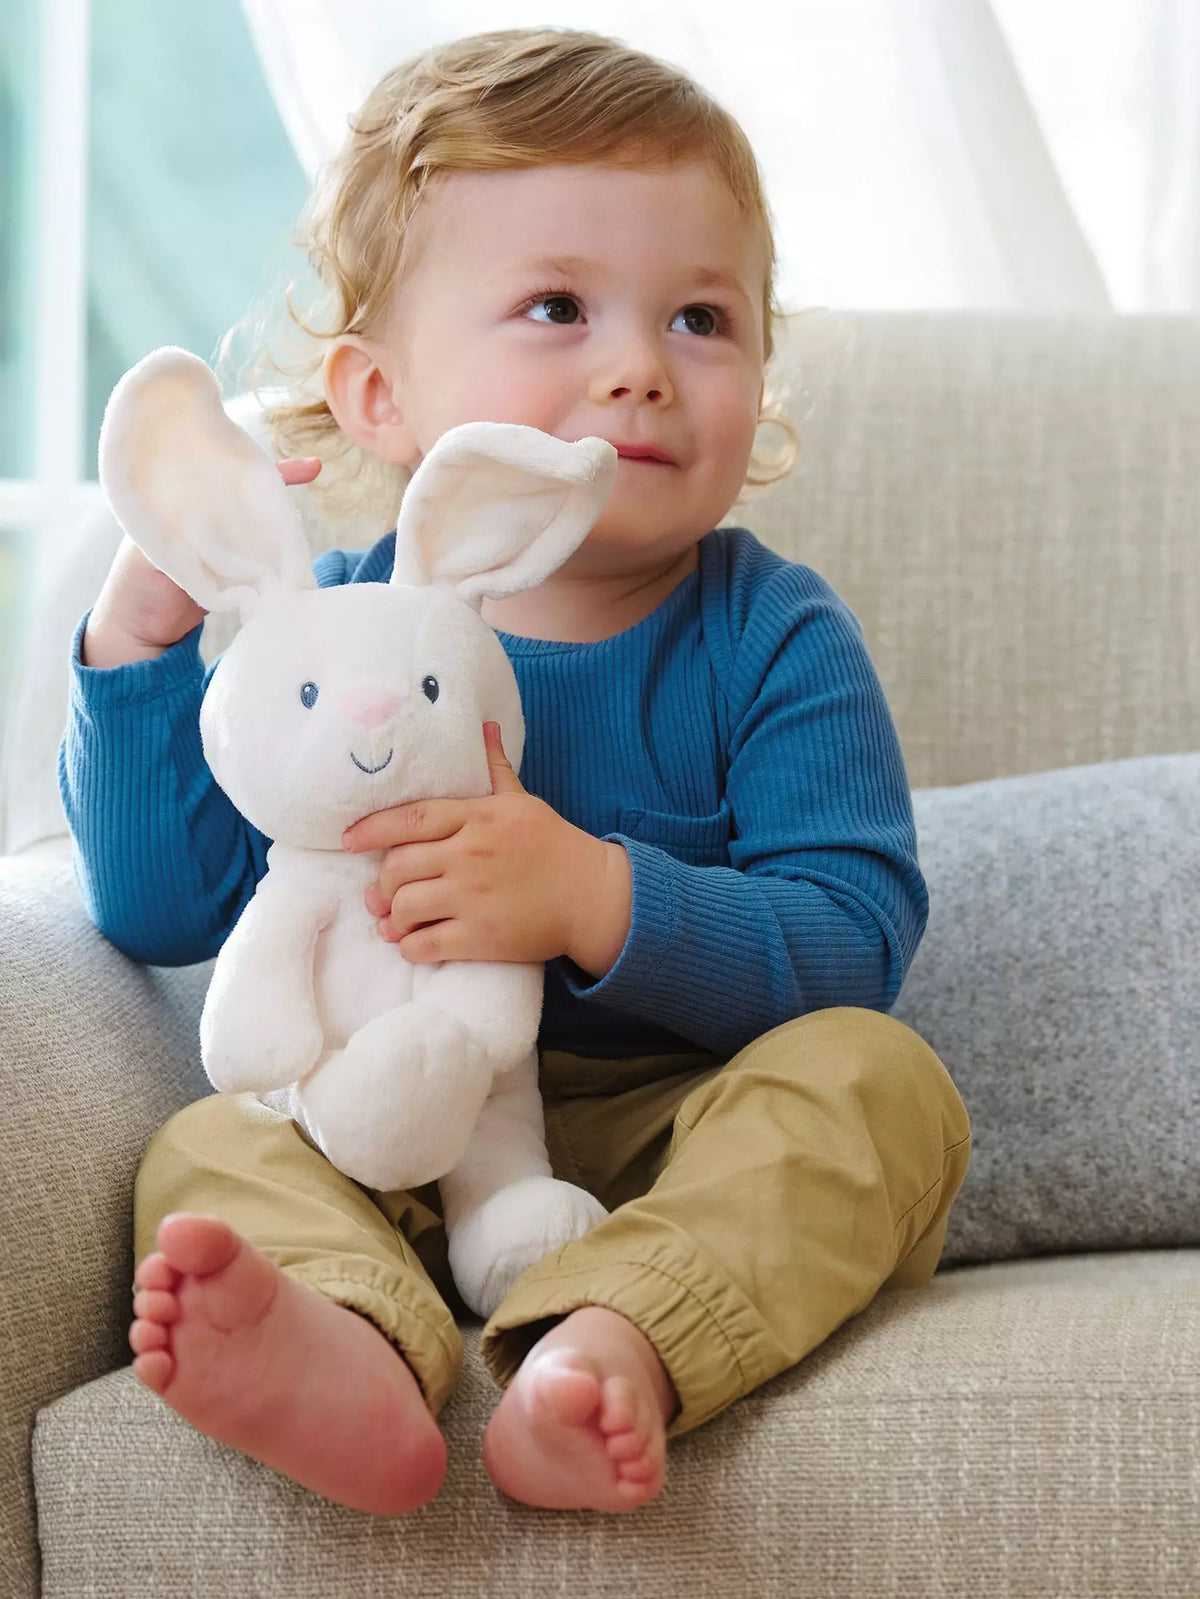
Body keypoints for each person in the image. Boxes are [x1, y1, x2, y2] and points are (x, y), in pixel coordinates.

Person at [61, 27, 971, 1517]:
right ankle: (346, 1349)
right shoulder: (330, 634)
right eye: (559, 307)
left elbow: (850, 949)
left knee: (883, 1087)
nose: (638, 369)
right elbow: (163, 909)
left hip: (669, 1137)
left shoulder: (773, 635)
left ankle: (610, 1340)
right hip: (381, 1129)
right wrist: (142, 636)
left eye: (701, 318)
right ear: (379, 398)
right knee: (212, 1141)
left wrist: (595, 898)